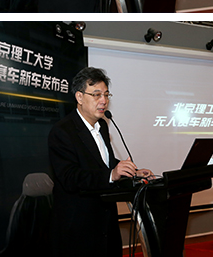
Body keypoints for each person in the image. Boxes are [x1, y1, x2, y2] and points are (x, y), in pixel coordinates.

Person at [48, 67, 151, 257]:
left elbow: (103, 161)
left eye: (106, 95)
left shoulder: (102, 125)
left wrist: (131, 171)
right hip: (79, 227)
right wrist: (111, 174)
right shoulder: (62, 131)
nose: (103, 101)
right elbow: (70, 177)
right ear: (79, 97)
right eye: (96, 95)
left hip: (106, 220)